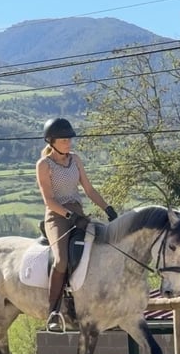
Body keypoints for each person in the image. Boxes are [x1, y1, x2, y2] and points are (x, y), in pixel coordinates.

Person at [35, 117, 118, 332]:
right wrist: (68, 216)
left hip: (79, 213)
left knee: (102, 245)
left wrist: (107, 208)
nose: (68, 143)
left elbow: (89, 190)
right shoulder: (44, 165)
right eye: (64, 140)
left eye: (69, 139)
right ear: (51, 141)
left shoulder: (76, 160)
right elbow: (49, 200)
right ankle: (53, 312)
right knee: (61, 260)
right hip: (57, 216)